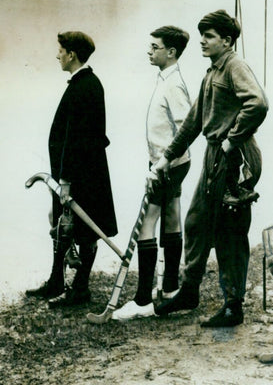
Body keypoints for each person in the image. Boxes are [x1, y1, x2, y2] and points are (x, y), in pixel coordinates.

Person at [151, 10, 268, 328]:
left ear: (227, 41)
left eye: (210, 36)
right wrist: (166, 158)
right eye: (201, 34)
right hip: (213, 156)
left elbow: (257, 103)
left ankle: (233, 306)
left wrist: (233, 139)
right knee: (197, 221)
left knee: (230, 230)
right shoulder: (212, 71)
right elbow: (192, 121)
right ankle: (189, 291)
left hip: (235, 156)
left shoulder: (234, 66)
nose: (202, 40)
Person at [25, 31, 118, 307]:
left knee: (84, 231)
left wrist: (66, 180)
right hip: (74, 173)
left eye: (60, 50)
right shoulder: (83, 84)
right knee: (62, 226)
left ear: (72, 55)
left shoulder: (86, 86)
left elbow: (79, 139)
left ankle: (80, 288)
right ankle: (56, 281)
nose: (57, 55)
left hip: (82, 175)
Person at [112, 26, 192, 321]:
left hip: (168, 164)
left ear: (170, 52)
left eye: (155, 46)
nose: (150, 50)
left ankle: (143, 299)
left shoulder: (173, 84)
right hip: (169, 162)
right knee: (171, 215)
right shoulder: (165, 78)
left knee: (148, 222)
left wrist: (163, 163)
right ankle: (170, 288)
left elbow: (185, 127)